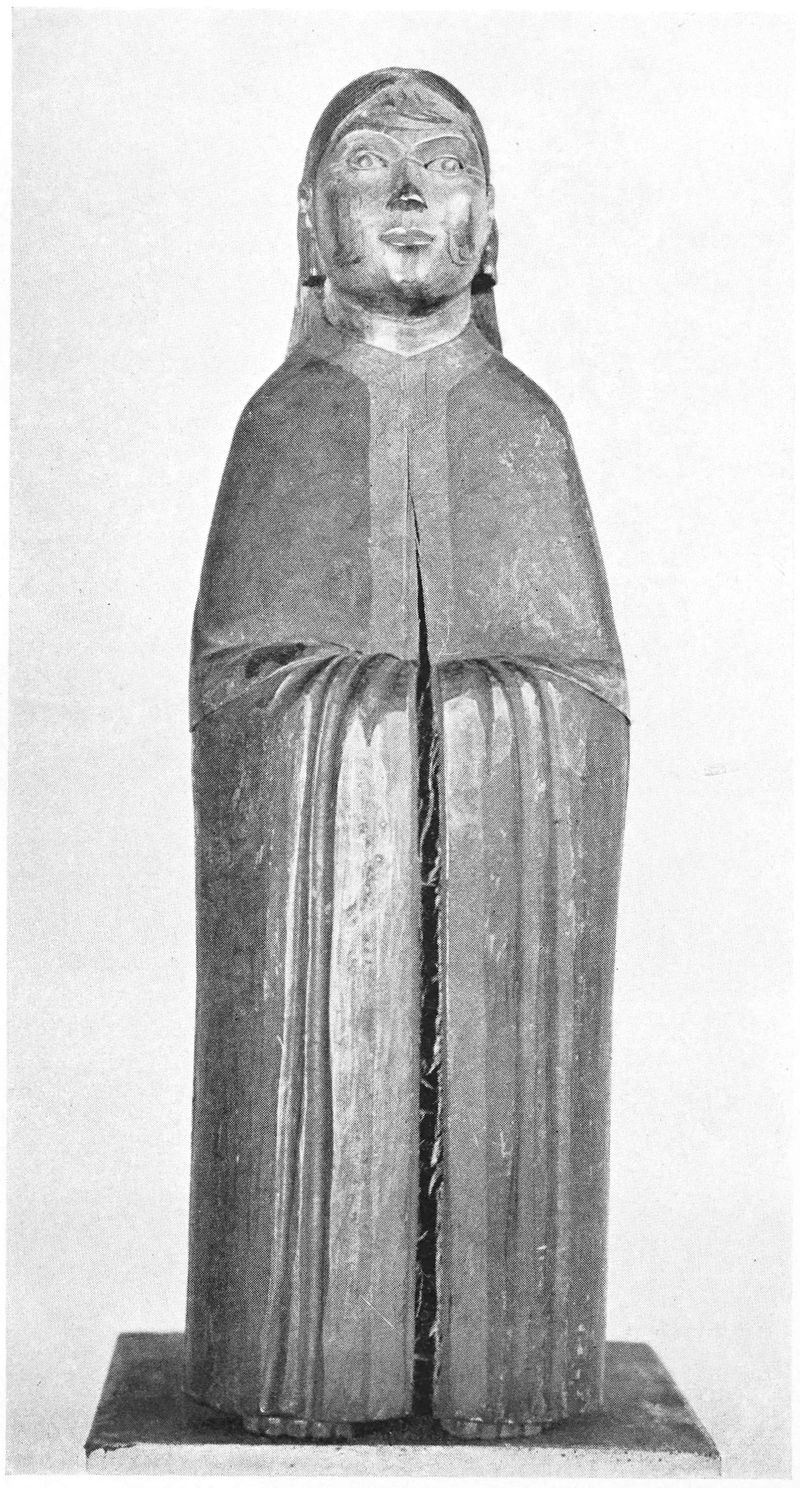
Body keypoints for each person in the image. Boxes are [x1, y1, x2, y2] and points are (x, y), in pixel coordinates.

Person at [185, 67, 629, 1441]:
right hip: (322, 943)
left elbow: (588, 695)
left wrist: (489, 721)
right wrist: (363, 720)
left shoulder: (524, 427)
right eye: (370, 163)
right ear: (310, 222)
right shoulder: (284, 425)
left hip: (502, 933)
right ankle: (306, 1358)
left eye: (444, 163)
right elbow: (237, 693)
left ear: (492, 226)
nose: (410, 192)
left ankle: (510, 1362)